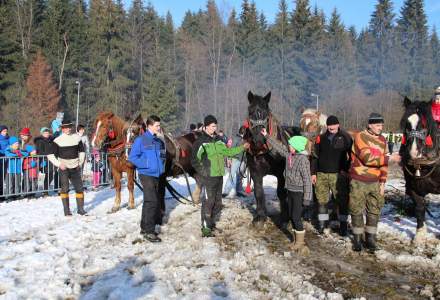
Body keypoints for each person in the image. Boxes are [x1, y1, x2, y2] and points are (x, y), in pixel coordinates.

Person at [349, 113, 401, 253]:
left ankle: (370, 239)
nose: (380, 128)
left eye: (381, 125)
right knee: (356, 209)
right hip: (359, 179)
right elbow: (367, 158)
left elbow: (383, 165)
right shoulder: (361, 137)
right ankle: (358, 239)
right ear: (370, 125)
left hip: (376, 181)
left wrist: (383, 181)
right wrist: (389, 158)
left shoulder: (383, 140)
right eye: (378, 125)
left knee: (374, 210)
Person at [191, 115, 250, 237]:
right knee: (208, 202)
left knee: (218, 203)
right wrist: (203, 172)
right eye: (212, 126)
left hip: (219, 175)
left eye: (215, 126)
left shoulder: (219, 140)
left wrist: (242, 148)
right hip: (208, 176)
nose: (215, 128)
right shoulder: (201, 141)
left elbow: (228, 152)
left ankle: (210, 223)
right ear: (206, 126)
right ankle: (206, 228)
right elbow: (194, 160)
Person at [262, 128, 312, 254]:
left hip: (299, 193)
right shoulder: (289, 155)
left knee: (296, 217)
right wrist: (267, 136)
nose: (288, 147)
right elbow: (278, 147)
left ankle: (300, 243)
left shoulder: (303, 160)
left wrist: (307, 198)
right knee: (291, 215)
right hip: (290, 190)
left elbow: (307, 180)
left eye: (290, 145)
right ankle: (295, 241)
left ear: (296, 147)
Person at [311, 115, 352, 236]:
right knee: (322, 201)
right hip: (322, 174)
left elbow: (352, 155)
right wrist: (313, 173)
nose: (331, 127)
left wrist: (346, 169)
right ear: (326, 126)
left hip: (338, 175)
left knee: (342, 201)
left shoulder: (345, 137)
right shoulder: (320, 138)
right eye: (329, 125)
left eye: (334, 125)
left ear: (338, 125)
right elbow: (315, 157)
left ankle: (343, 226)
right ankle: (322, 225)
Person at [129, 115, 166, 243]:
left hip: (156, 174)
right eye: (157, 125)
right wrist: (146, 164)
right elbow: (133, 157)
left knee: (149, 201)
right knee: (152, 202)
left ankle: (145, 228)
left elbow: (161, 157)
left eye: (159, 125)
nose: (159, 127)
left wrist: (161, 167)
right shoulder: (141, 140)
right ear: (150, 126)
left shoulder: (157, 141)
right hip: (146, 174)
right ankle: (149, 232)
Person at [48, 120, 86, 216]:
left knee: (79, 188)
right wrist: (59, 164)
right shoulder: (57, 140)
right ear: (62, 129)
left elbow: (82, 151)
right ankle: (66, 211)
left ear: (71, 128)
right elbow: (50, 155)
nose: (68, 129)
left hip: (75, 167)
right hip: (64, 168)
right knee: (65, 189)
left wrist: (80, 162)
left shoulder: (77, 138)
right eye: (65, 127)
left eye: (69, 127)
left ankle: (80, 209)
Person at [34, 127, 59, 194]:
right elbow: (39, 151)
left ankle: (45, 190)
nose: (47, 134)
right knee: (41, 176)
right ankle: (37, 190)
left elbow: (55, 148)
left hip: (51, 160)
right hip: (44, 160)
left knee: (50, 175)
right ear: (42, 133)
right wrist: (48, 155)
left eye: (48, 132)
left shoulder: (51, 140)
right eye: (45, 132)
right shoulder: (39, 141)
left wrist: (54, 154)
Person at [0, 125, 9, 198]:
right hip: (1, 158)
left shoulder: (8, 138)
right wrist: (4, 152)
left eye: (6, 131)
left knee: (3, 177)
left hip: (6, 160)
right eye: (4, 131)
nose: (5, 132)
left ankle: (2, 193)